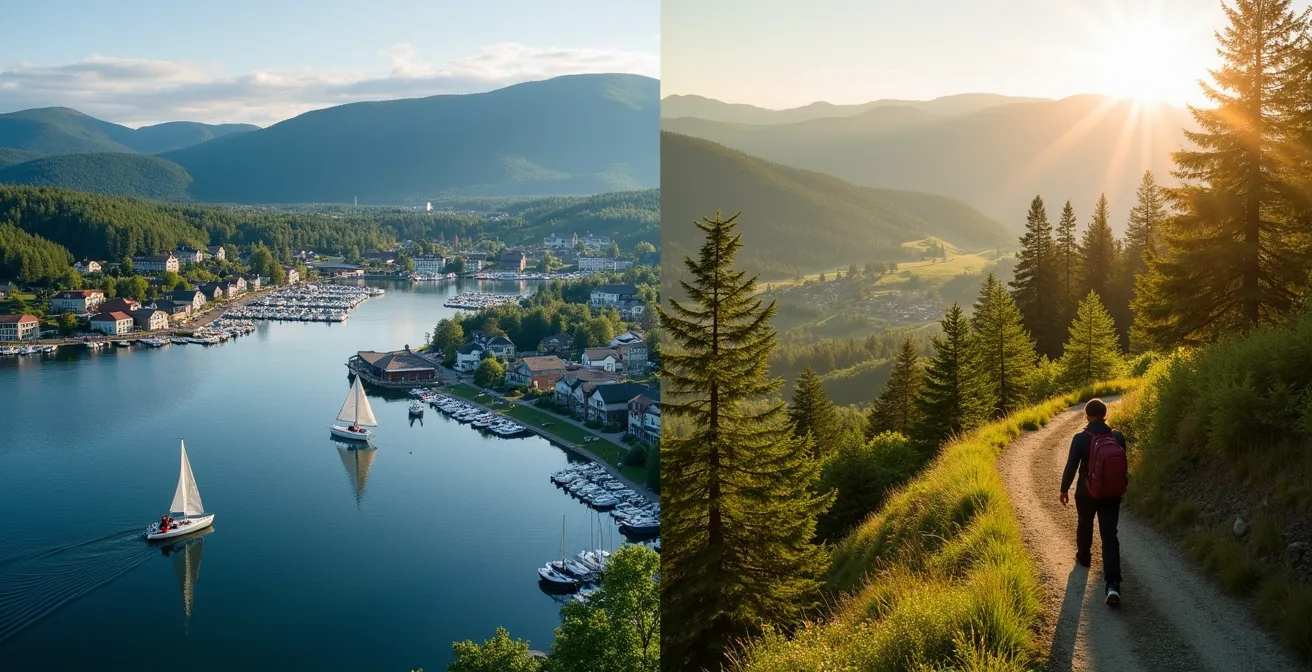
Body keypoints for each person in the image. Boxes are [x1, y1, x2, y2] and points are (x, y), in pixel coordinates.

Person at [1060, 398, 1127, 605]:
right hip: (1111, 493)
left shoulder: (1080, 438)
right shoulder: (1117, 436)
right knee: (1109, 535)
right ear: (1105, 414)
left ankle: (1084, 556)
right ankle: (1113, 585)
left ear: (1087, 415)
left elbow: (1072, 465)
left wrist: (1064, 489)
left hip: (1087, 492)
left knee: (1085, 523)